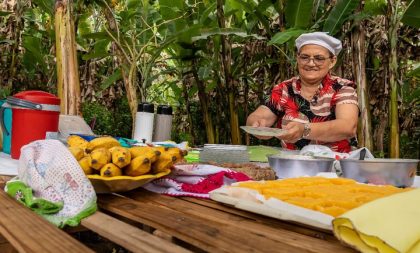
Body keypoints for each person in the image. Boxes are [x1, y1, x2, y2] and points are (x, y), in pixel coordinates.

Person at [246, 32, 359, 153]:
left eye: (319, 58)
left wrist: (304, 130)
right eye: (305, 57)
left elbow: (348, 127)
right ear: (297, 59)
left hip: (334, 165)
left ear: (332, 61)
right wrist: (257, 124)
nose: (311, 63)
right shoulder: (284, 89)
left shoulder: (342, 88)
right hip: (292, 163)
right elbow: (260, 115)